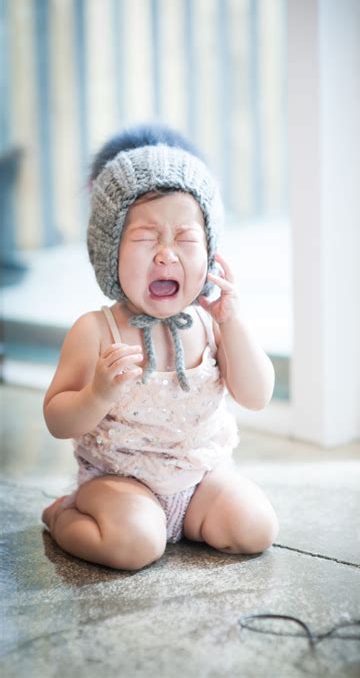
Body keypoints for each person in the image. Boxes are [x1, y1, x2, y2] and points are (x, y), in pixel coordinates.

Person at [41, 123, 279, 571]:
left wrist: (233, 322)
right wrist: (97, 395)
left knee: (256, 527)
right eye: (146, 238)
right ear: (109, 250)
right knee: (135, 545)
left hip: (200, 482)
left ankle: (188, 521)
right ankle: (62, 515)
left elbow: (256, 394)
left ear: (209, 252)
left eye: (185, 239)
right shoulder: (96, 330)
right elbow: (56, 417)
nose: (166, 255)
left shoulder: (211, 323)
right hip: (119, 483)